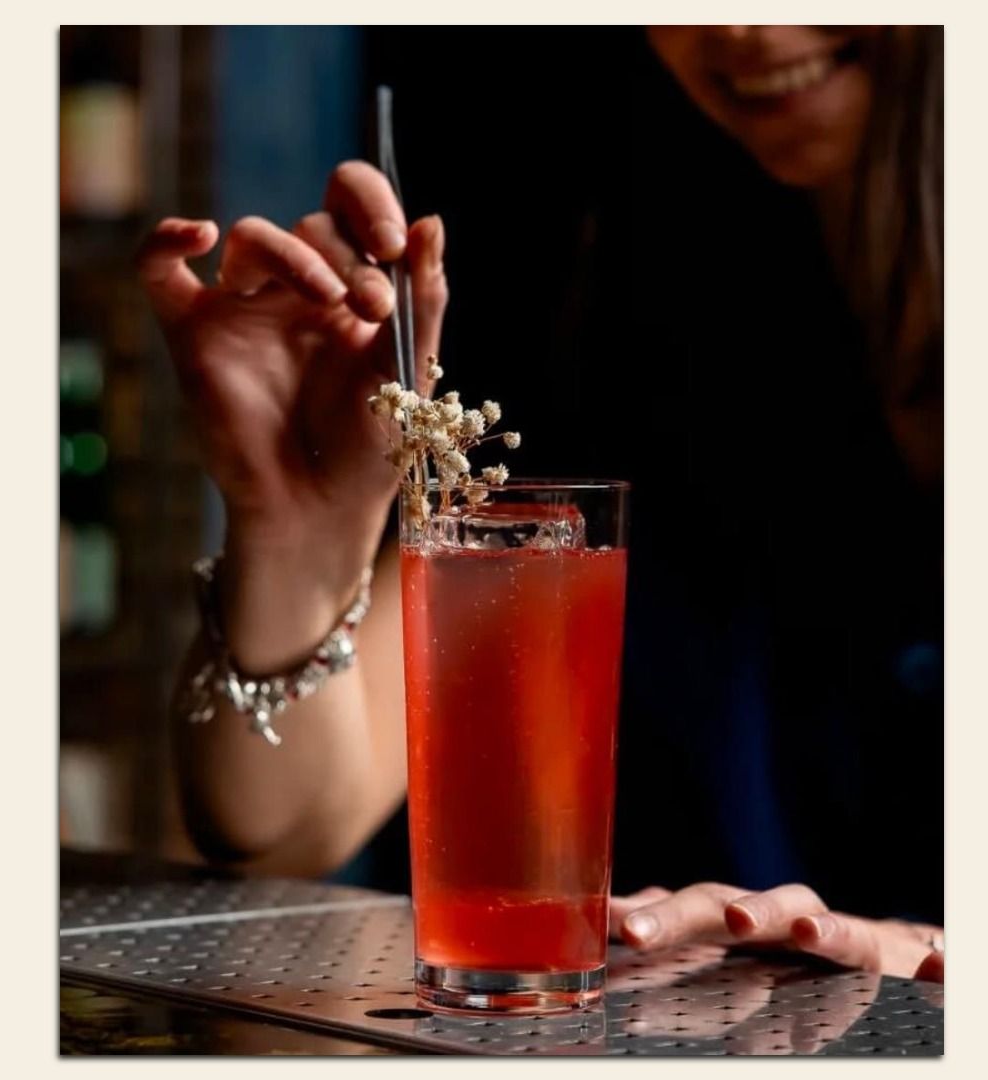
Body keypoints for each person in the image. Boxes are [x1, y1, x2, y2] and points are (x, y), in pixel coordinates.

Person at [140, 25, 942, 982]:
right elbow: (282, 831)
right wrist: (297, 524)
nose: (740, 26)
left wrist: (920, 955)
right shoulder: (628, 287)